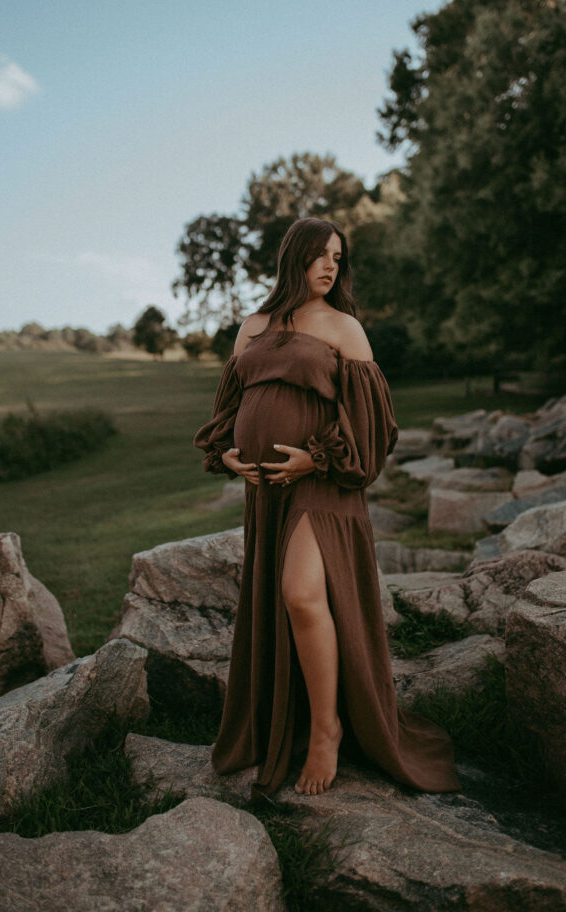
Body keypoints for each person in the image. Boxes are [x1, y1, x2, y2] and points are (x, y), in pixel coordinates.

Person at [193, 217, 462, 798]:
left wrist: (315, 459)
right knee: (289, 599)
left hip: (323, 486)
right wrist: (230, 454)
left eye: (338, 257)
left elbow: (373, 425)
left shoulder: (345, 328)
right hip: (266, 489)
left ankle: (326, 730)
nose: (329, 266)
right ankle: (295, 719)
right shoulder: (254, 328)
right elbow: (231, 404)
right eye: (319, 255)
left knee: (301, 594)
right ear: (294, 258)